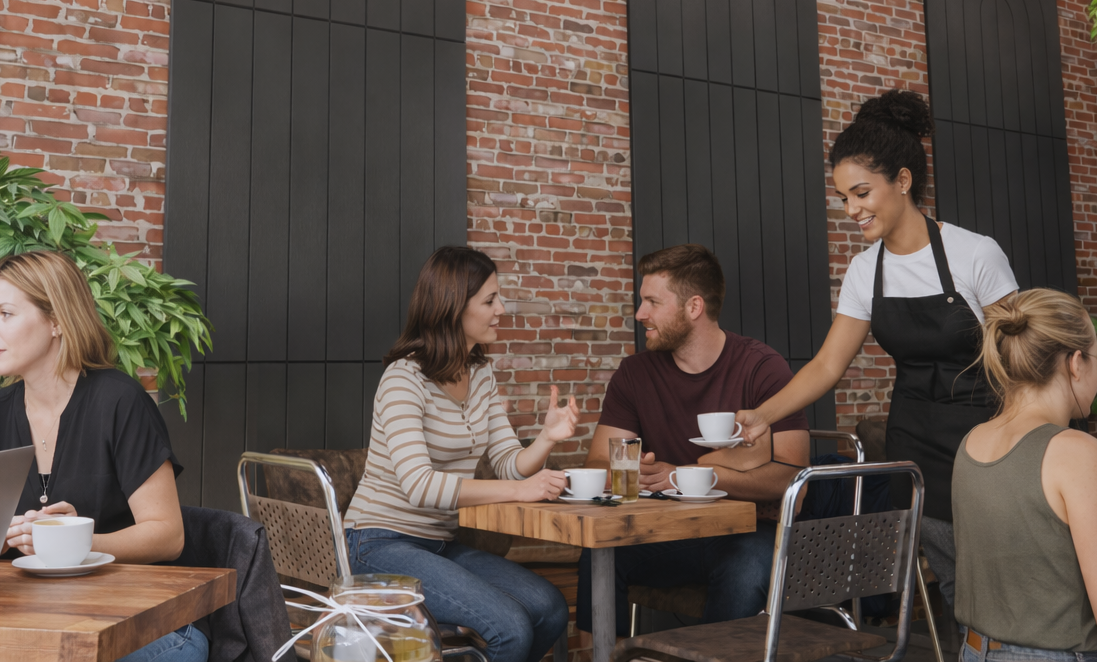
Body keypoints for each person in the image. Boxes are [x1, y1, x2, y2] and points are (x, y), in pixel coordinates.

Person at [735, 88, 1018, 610]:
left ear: (902, 181)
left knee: (1003, 577)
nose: (851, 210)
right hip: (916, 446)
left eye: (861, 193)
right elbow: (827, 364)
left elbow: (1023, 358)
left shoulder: (975, 254)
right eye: (844, 197)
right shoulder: (866, 271)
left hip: (989, 439)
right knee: (955, 585)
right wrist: (762, 416)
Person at [0, 250, 205, 662]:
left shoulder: (119, 401)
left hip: (142, 622)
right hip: (33, 621)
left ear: (56, 320)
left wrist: (73, 542)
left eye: (5, 314)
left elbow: (168, 535)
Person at [344, 246, 576, 662]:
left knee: (550, 609)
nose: (501, 309)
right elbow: (419, 486)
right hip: (377, 543)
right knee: (510, 627)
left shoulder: (481, 373)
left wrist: (546, 438)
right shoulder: (403, 379)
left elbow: (509, 463)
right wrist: (519, 492)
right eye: (490, 300)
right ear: (453, 307)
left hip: (438, 544)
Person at [576, 243, 810, 629]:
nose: (640, 314)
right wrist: (633, 472)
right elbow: (600, 461)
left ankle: (718, 656)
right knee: (599, 553)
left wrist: (683, 477)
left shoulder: (762, 368)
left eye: (652, 302)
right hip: (669, 533)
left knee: (746, 568)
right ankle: (603, 655)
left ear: (694, 307)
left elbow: (793, 478)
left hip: (748, 532)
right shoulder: (634, 374)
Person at [952, 288, 1097, 662]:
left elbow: (1024, 554)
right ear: (1077, 363)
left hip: (974, 650)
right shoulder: (1077, 451)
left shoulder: (972, 440)